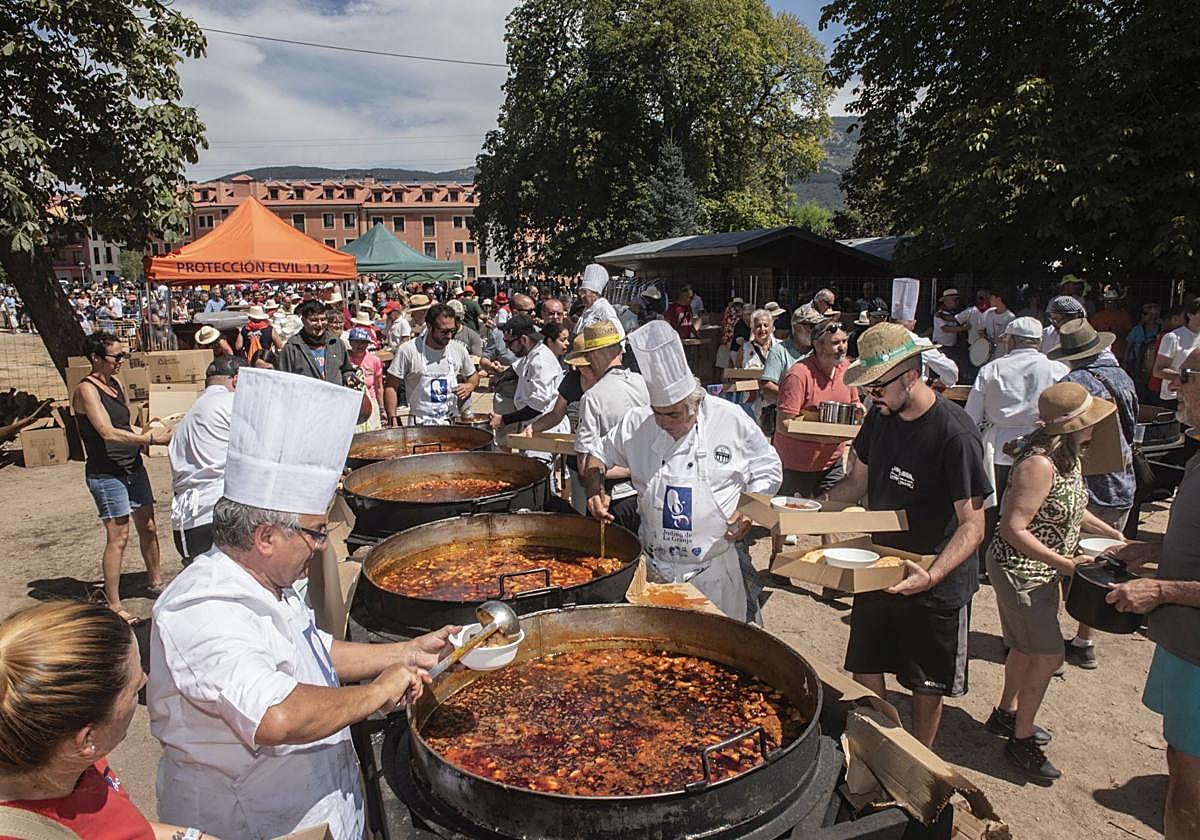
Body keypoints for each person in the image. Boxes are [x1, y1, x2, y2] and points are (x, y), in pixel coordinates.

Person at [149, 368, 455, 840]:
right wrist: (376, 693)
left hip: (320, 803)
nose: (319, 545)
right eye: (314, 532)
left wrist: (405, 653)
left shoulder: (268, 579)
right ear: (266, 536)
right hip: (258, 823)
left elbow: (313, 648)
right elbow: (276, 715)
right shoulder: (202, 606)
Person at [825, 322, 991, 747]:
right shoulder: (881, 418)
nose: (870, 398)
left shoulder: (955, 433)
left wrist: (932, 575)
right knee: (865, 661)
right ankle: (885, 746)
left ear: (910, 376)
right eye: (867, 390)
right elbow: (855, 484)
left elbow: (974, 525)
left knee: (926, 683)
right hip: (878, 564)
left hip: (935, 575)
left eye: (877, 389)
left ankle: (919, 760)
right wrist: (809, 514)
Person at [583, 321, 782, 623]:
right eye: (657, 412)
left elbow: (768, 467)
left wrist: (749, 510)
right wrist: (595, 490)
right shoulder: (638, 422)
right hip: (655, 571)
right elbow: (596, 456)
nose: (663, 422)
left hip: (713, 573)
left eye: (673, 413)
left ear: (696, 402)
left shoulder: (728, 419)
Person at [984, 382, 1126, 782]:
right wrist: (1067, 564)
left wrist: (1108, 532)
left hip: (1040, 570)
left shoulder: (1069, 457)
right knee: (1048, 655)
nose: (1095, 429)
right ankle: (1021, 739)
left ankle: (1006, 714)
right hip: (1020, 572)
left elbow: (1072, 507)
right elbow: (1013, 528)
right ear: (1072, 426)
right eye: (1089, 422)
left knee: (1026, 649)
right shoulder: (1039, 464)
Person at [0, 602, 199, 839]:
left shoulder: (61, 758)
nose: (145, 679)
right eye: (134, 688)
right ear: (86, 739)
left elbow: (120, 825)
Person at [1105, 345, 1200, 840]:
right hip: (1184, 646)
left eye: (1186, 376)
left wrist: (1161, 588)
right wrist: (1152, 548)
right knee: (1179, 760)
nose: (1173, 386)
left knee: (1189, 788)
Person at [1052, 319, 1140, 668]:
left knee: (1070, 566)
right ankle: (1086, 637)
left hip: (1085, 485)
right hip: (1123, 482)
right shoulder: (1123, 377)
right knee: (1106, 564)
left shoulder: (1072, 385)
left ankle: (1059, 642)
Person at [71, 332, 167, 621]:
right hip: (106, 472)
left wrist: (156, 433)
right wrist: (151, 441)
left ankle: (157, 582)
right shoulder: (86, 390)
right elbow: (107, 432)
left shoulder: (116, 384)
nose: (122, 361)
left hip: (132, 466)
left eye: (123, 355)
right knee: (119, 535)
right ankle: (113, 603)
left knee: (148, 526)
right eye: (116, 356)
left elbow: (127, 425)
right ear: (96, 358)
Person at [965, 317, 1070, 561]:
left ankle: (986, 558)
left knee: (992, 506)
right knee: (1032, 504)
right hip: (1042, 448)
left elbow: (971, 414)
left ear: (1011, 340)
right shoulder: (1058, 370)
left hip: (998, 447)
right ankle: (1027, 555)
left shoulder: (992, 369)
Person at [569, 321, 650, 533]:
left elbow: (585, 465)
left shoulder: (593, 398)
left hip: (615, 501)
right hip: (650, 496)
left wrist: (628, 469)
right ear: (620, 351)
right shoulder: (645, 383)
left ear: (594, 356)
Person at [169, 355, 243, 565]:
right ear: (237, 380)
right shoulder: (231, 402)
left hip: (187, 522)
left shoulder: (189, 417)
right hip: (220, 516)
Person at [775, 320, 858, 497]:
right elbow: (783, 424)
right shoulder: (798, 375)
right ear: (818, 345)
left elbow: (854, 403)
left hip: (832, 463)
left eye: (844, 341)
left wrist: (858, 409)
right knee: (795, 520)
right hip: (796, 466)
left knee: (831, 517)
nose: (842, 348)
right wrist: (824, 436)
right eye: (836, 343)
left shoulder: (847, 370)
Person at [384, 304, 479, 426]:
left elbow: (473, 375)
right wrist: (392, 419)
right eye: (444, 331)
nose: (449, 336)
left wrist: (470, 385)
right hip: (419, 424)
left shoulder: (458, 349)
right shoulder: (409, 350)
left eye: (452, 331)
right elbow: (391, 386)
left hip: (450, 422)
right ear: (429, 326)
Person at [489, 317, 569, 450]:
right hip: (531, 427)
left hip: (545, 429)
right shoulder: (530, 354)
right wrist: (500, 378)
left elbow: (537, 406)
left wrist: (504, 419)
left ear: (524, 339)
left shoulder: (541, 362)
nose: (508, 348)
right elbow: (516, 369)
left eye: (509, 343)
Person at [277, 300, 358, 386]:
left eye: (323, 319)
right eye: (314, 320)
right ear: (303, 320)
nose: (319, 324)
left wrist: (349, 377)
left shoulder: (336, 343)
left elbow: (346, 369)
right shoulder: (292, 348)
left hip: (333, 398)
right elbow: (283, 380)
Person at [762, 306, 823, 405]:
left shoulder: (821, 351)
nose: (817, 331)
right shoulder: (779, 352)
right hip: (784, 412)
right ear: (796, 327)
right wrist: (795, 398)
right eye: (812, 326)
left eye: (819, 326)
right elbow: (768, 388)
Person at [1153, 297, 1200, 406]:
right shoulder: (1173, 337)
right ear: (1190, 315)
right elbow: (1158, 371)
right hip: (1175, 399)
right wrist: (1187, 379)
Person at [347, 326, 384, 432]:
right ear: (350, 342)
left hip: (370, 402)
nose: (361, 345)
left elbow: (379, 386)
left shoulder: (374, 360)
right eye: (357, 342)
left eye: (364, 342)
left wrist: (382, 409)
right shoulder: (345, 358)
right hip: (351, 404)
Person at [574, 264, 626, 339]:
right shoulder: (587, 309)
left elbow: (619, 333)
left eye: (585, 292)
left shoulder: (604, 309)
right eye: (581, 292)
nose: (582, 296)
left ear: (595, 294)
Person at [1092, 286, 1133, 361]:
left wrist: (1117, 333)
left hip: (1119, 353)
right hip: (1101, 354)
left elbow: (1129, 334)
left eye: (1112, 301)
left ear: (1117, 302)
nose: (1109, 304)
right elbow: (1092, 333)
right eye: (1107, 301)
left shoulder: (1124, 315)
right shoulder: (1097, 316)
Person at [237, 304, 283, 368]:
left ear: (249, 317)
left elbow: (238, 346)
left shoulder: (244, 329)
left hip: (251, 361)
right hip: (266, 361)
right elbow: (279, 345)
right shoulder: (270, 329)